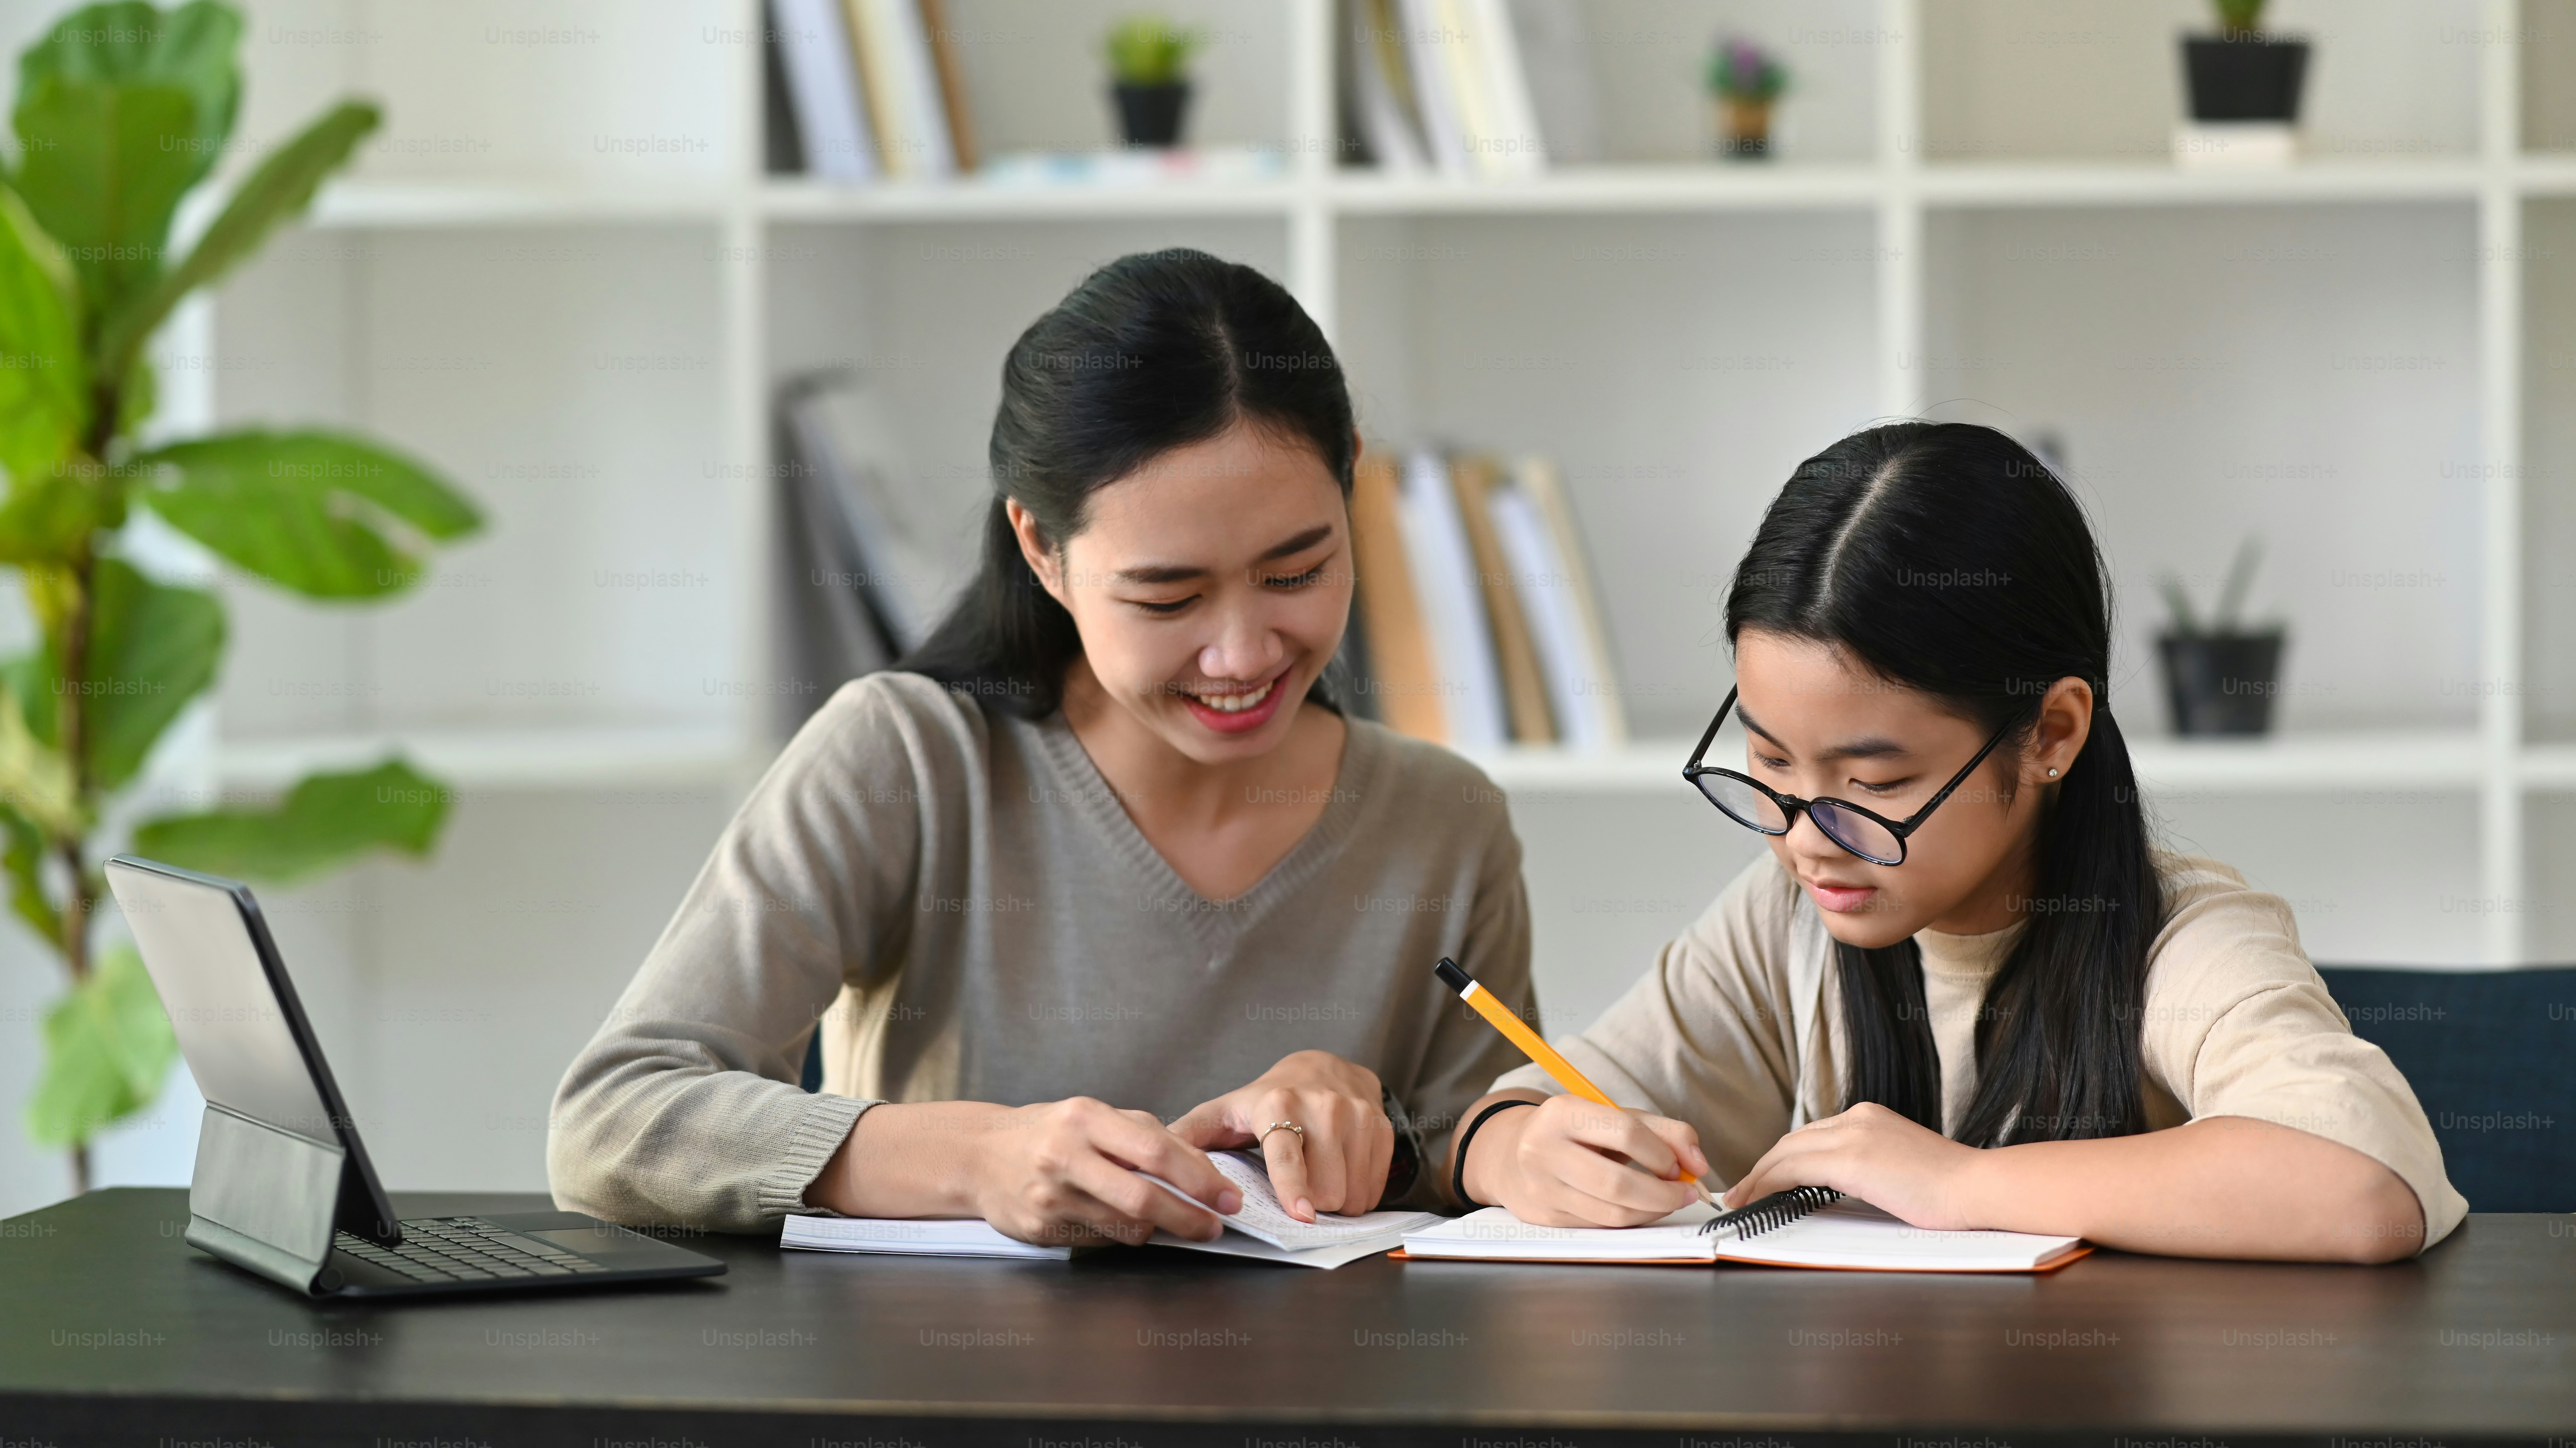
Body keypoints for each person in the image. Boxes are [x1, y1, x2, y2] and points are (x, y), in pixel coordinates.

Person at [551, 250, 1534, 1244]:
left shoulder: (1444, 820)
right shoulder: (908, 762)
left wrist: (1380, 1129)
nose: (1242, 652)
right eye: (1168, 596)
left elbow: (1484, 1171)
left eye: (1298, 572)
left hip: (1327, 1391)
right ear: (1041, 550)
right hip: (948, 1388)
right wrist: (979, 1160)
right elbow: (613, 1122)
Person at [1448, 422, 2464, 1262]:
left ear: (2052, 733)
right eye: (1768, 765)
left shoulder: (2178, 939)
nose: (1808, 842)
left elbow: (2362, 1187)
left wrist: (1959, 1182)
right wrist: (1515, 1150)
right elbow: (1516, 1107)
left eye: (1875, 784)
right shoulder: (1784, 923)